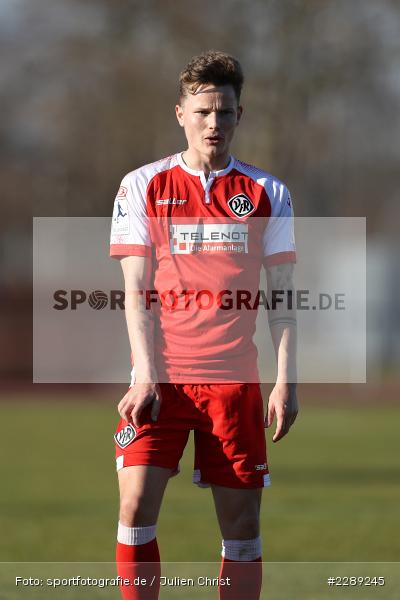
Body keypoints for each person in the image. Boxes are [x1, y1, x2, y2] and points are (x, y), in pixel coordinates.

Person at [110, 50, 298, 600]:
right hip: (161, 380)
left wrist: (287, 380)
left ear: (240, 116)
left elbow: (283, 300)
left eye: (226, 112)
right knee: (134, 505)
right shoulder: (143, 184)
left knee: (241, 530)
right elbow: (136, 292)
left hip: (233, 383)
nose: (214, 123)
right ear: (180, 114)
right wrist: (144, 376)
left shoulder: (270, 193)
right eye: (203, 112)